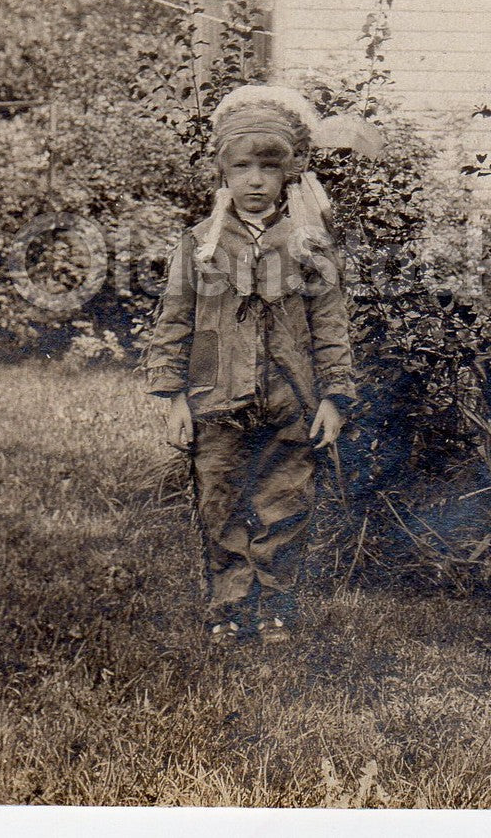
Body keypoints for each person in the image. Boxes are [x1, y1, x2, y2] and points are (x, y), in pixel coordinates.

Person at [143, 85, 357, 646]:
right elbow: (174, 321)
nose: (256, 179)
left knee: (285, 500)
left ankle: (274, 607)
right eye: (242, 166)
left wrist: (334, 396)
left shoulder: (310, 242)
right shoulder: (200, 244)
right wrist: (173, 398)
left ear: (290, 172)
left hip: (291, 398)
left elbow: (330, 325)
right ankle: (229, 605)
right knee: (219, 500)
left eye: (269, 166)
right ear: (223, 171)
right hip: (216, 400)